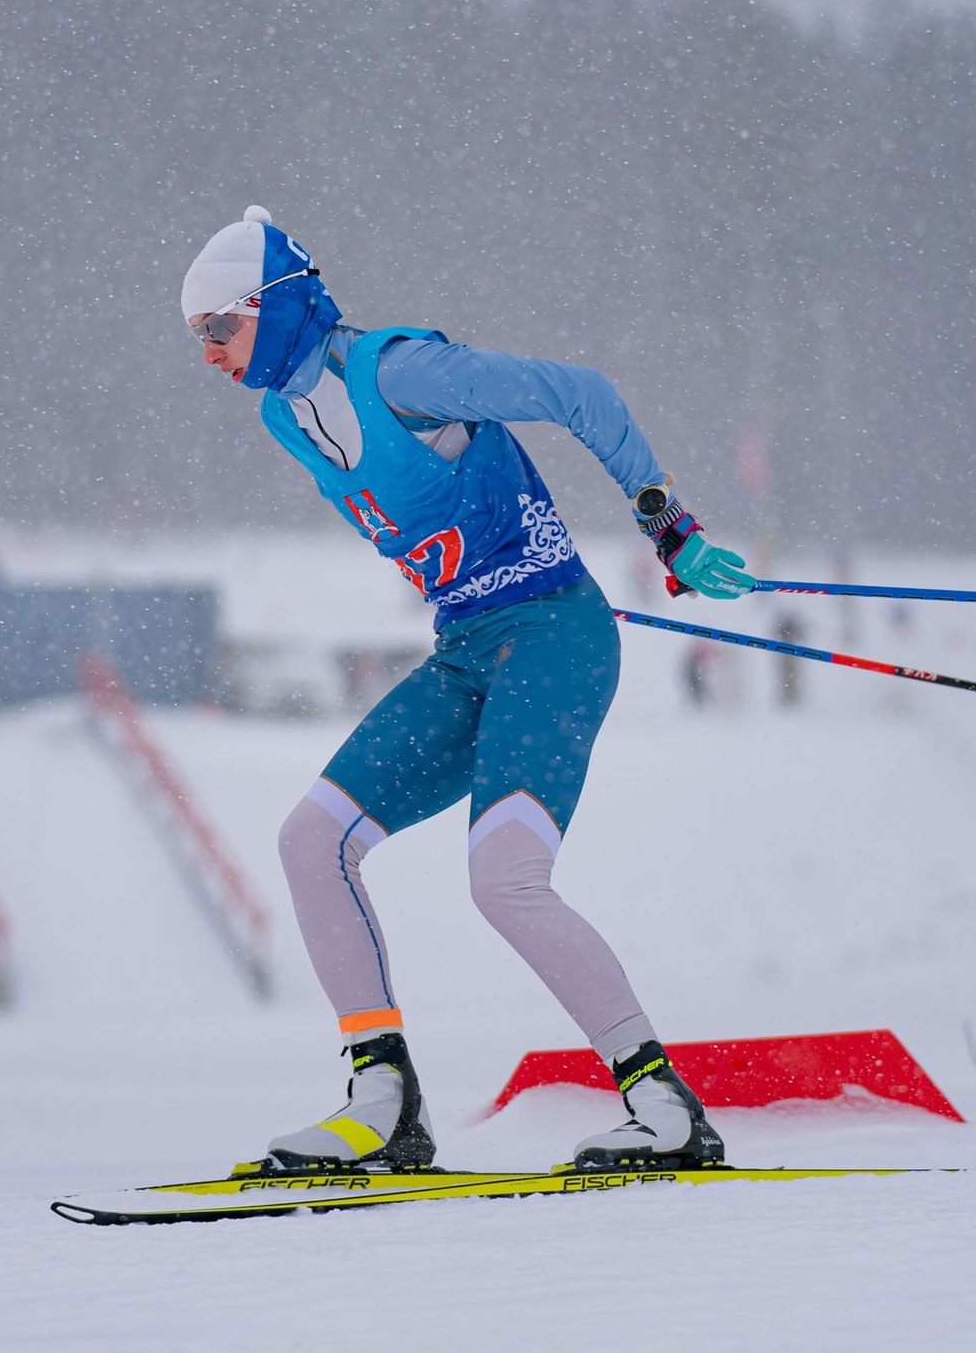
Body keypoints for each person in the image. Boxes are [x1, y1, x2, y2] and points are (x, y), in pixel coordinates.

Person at [182, 206, 755, 1171]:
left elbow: (580, 393)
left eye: (217, 330)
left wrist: (669, 525)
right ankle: (384, 1105)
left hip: (555, 638)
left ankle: (664, 1107)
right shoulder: (287, 415)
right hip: (468, 650)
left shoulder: (398, 371)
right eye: (196, 339)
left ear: (272, 309)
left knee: (503, 879)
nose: (207, 355)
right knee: (310, 839)